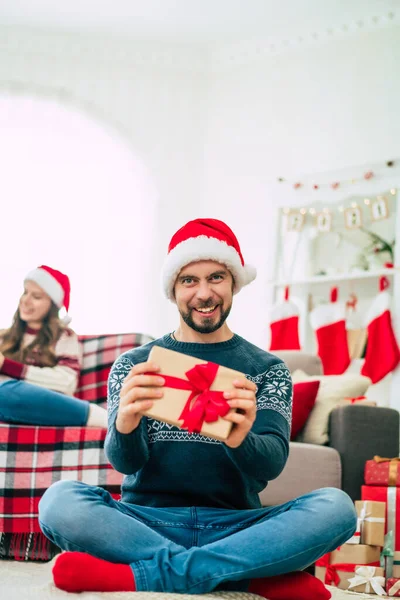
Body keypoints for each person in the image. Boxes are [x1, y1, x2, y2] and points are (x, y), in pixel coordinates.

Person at [39, 220, 356, 598]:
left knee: (337, 508)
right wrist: (125, 424)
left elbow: (270, 465)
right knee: (59, 500)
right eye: (189, 280)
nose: (204, 293)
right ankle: (244, 576)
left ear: (234, 282)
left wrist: (240, 439)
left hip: (237, 524)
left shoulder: (267, 368)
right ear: (173, 289)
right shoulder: (133, 365)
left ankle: (142, 575)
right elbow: (125, 464)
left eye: (216, 277)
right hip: (146, 522)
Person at [0, 264, 107, 428]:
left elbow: (67, 383)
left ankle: (107, 420)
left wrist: (7, 365)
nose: (25, 300)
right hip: (7, 408)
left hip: (34, 404)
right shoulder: (3, 336)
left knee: (6, 393)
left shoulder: (64, 337)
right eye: (25, 292)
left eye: (36, 296)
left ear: (52, 306)